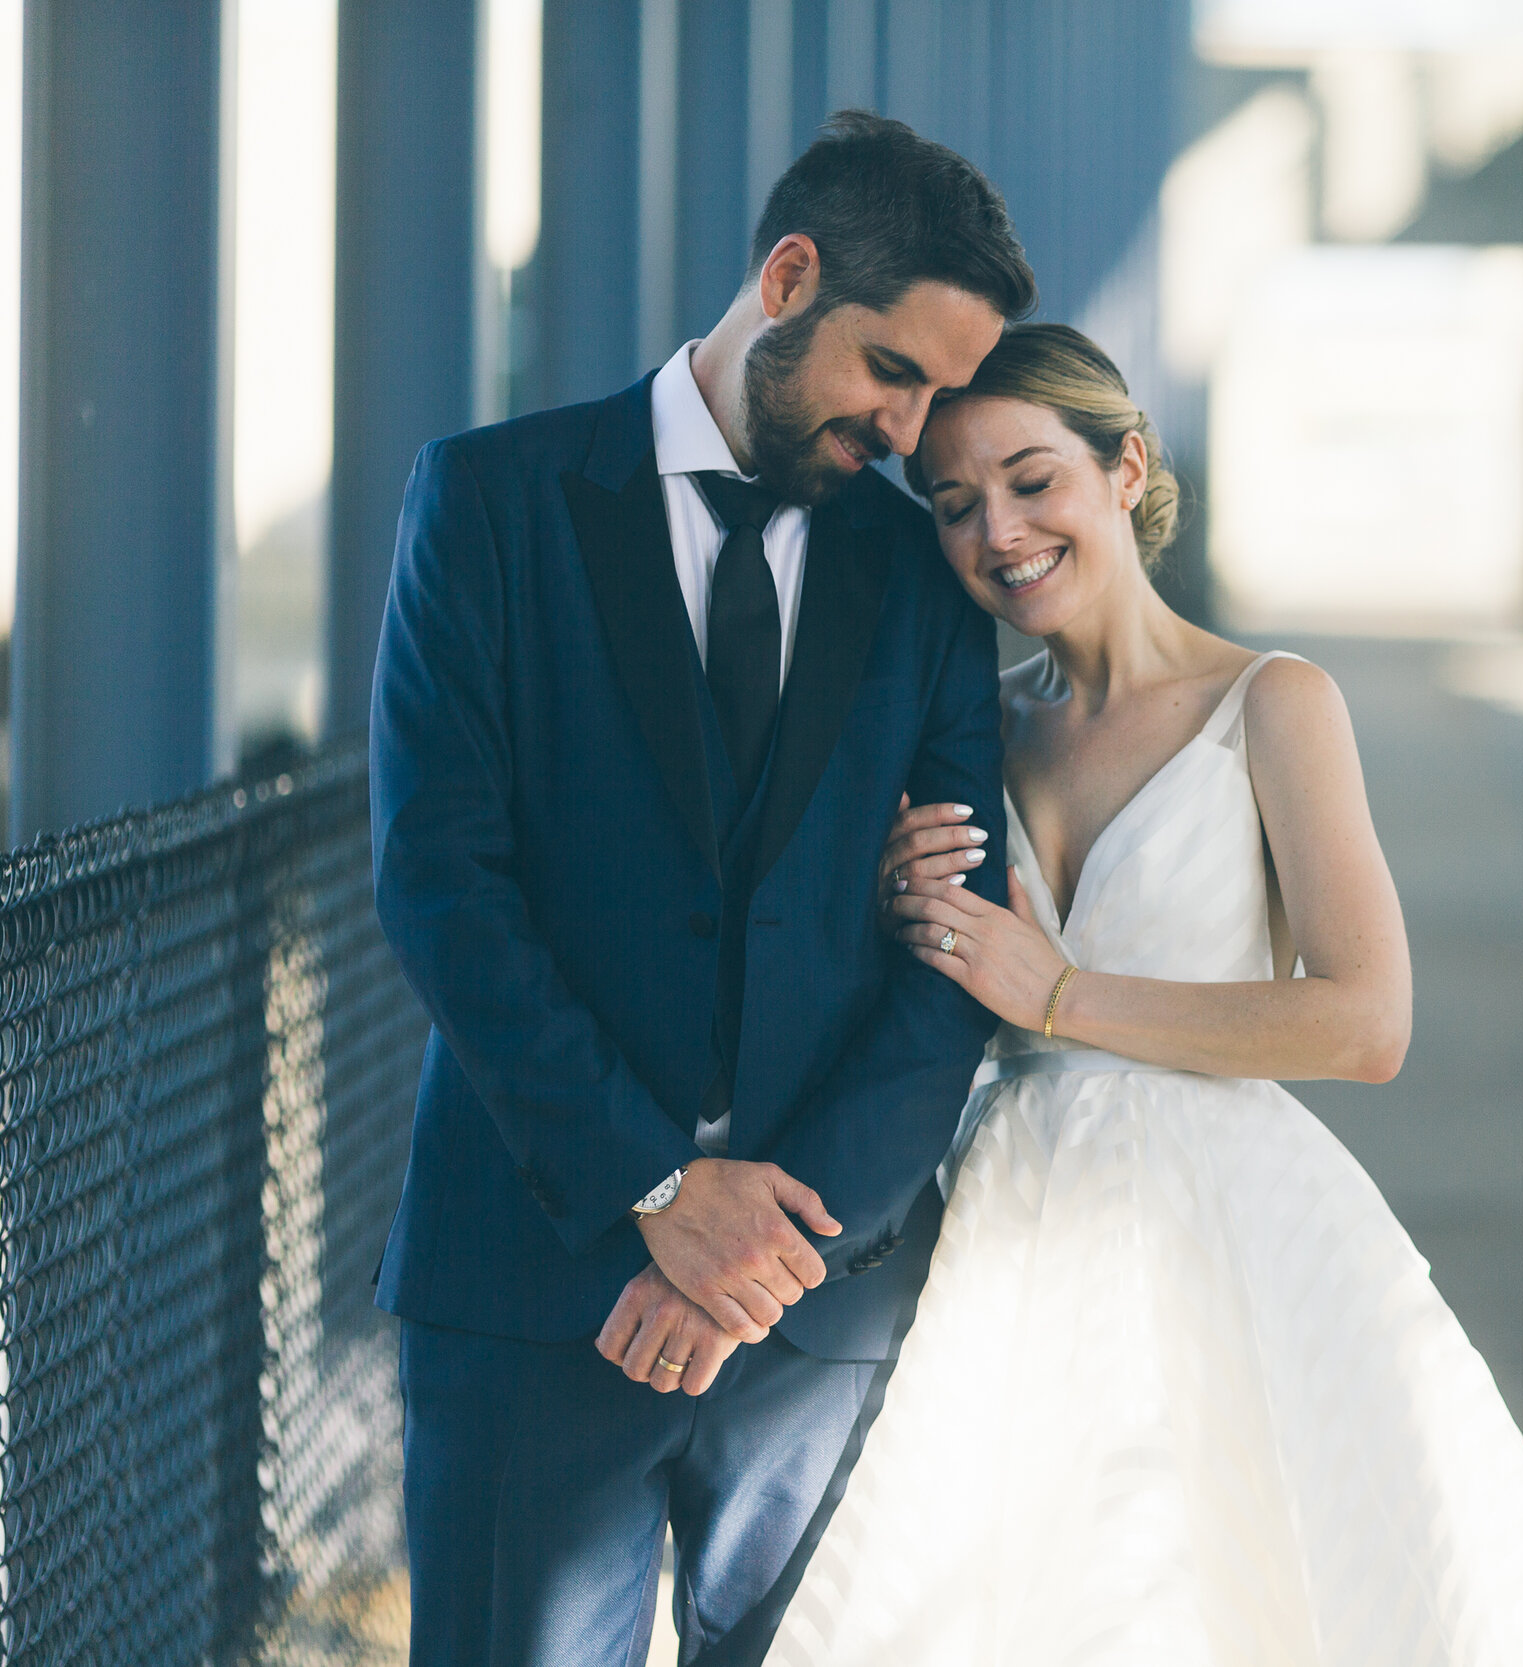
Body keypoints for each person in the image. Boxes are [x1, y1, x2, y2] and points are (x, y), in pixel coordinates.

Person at [750, 324, 1523, 1664]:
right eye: (956, 505)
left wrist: (1062, 995)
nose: (1001, 531)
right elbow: (912, 992)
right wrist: (884, 907)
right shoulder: (973, 728)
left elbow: (1364, 1021)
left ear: (1126, 467)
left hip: (1236, 1226)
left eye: (1033, 479)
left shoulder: (1273, 704)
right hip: (1005, 1228)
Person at [368, 113, 1034, 1664]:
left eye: (938, 392)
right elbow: (439, 881)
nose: (913, 425)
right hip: (538, 1281)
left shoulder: (924, 579)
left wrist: (764, 1252)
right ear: (790, 275)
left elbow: (955, 946)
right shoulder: (486, 503)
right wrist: (658, 1192)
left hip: (816, 1317)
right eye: (895, 372)